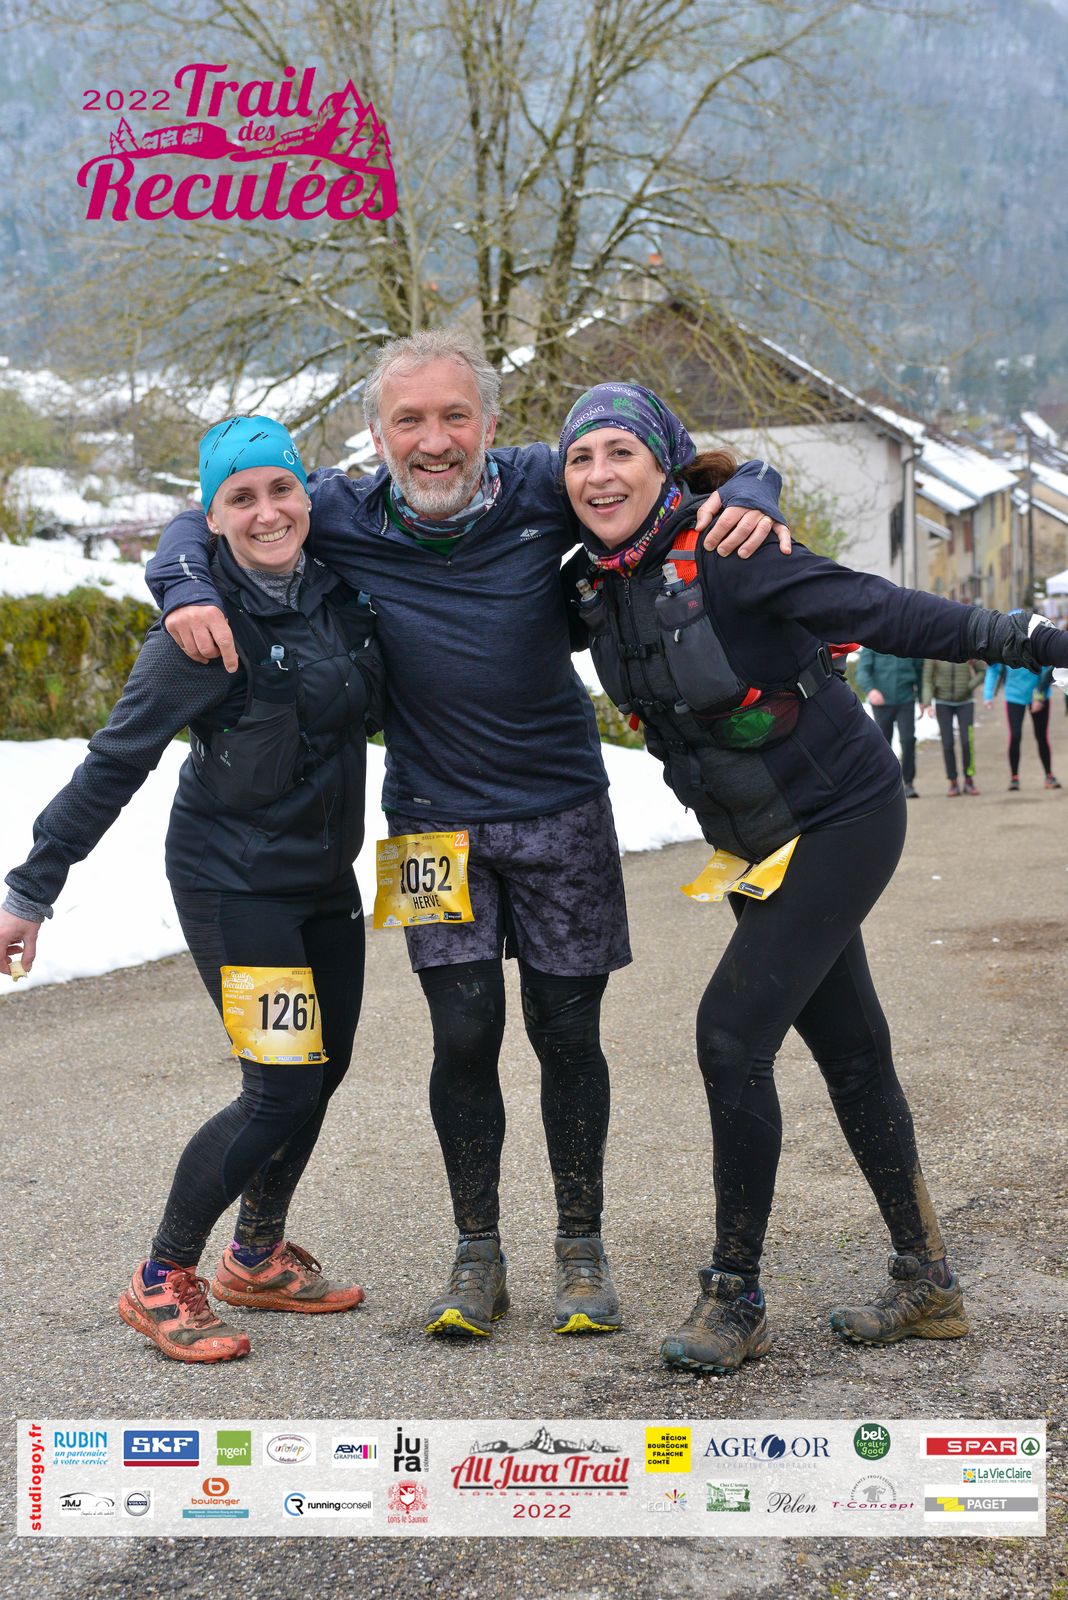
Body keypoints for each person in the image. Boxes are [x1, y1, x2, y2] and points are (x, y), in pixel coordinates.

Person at [146, 329, 790, 1341]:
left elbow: (671, 476)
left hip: (562, 811)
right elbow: (205, 513)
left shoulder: (544, 483)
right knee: (462, 1035)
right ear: (376, 436)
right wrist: (183, 581)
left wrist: (757, 487)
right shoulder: (340, 510)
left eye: (455, 416)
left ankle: (580, 1248)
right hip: (429, 825)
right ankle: (475, 1252)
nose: (434, 439)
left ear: (492, 424)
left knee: (567, 1035)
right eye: (409, 420)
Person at [559, 381, 1068, 1374]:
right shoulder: (590, 584)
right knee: (851, 1051)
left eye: (621, 452)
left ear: (666, 466)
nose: (599, 474)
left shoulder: (733, 551)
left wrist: (1038, 642)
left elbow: (889, 611)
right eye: (580, 457)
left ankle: (735, 1296)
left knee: (730, 1035)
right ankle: (927, 1282)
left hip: (842, 815)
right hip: (757, 839)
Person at [0, 416, 383, 1363]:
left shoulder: (336, 586)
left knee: (324, 1068)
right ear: (211, 517)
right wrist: (30, 890)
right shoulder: (195, 632)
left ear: (305, 494)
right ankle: (160, 1276)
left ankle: (255, 1258)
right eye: (239, 498)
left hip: (323, 875)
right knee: (281, 1085)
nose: (267, 512)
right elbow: (114, 762)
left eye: (280, 489)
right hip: (233, 884)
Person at [983, 653, 1061, 791]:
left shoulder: (1035, 641)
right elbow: (993, 668)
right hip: (1014, 695)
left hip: (1038, 694)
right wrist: (988, 695)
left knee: (1041, 736)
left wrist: (1039, 696)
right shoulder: (1003, 643)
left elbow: (1048, 670)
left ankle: (1049, 775)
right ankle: (1014, 777)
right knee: (1015, 736)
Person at [856, 648, 923, 797]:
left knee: (908, 740)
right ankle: (886, 784)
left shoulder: (909, 641)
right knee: (884, 743)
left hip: (906, 700)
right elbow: (862, 672)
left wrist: (923, 699)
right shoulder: (872, 642)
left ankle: (908, 783)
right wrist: (870, 690)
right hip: (881, 702)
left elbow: (920, 671)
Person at [921, 658, 984, 796]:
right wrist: (927, 703)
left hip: (965, 702)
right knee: (947, 743)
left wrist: (969, 686)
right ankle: (953, 782)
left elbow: (982, 671)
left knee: (967, 741)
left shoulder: (966, 647)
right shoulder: (934, 651)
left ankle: (969, 780)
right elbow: (927, 679)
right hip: (942, 702)